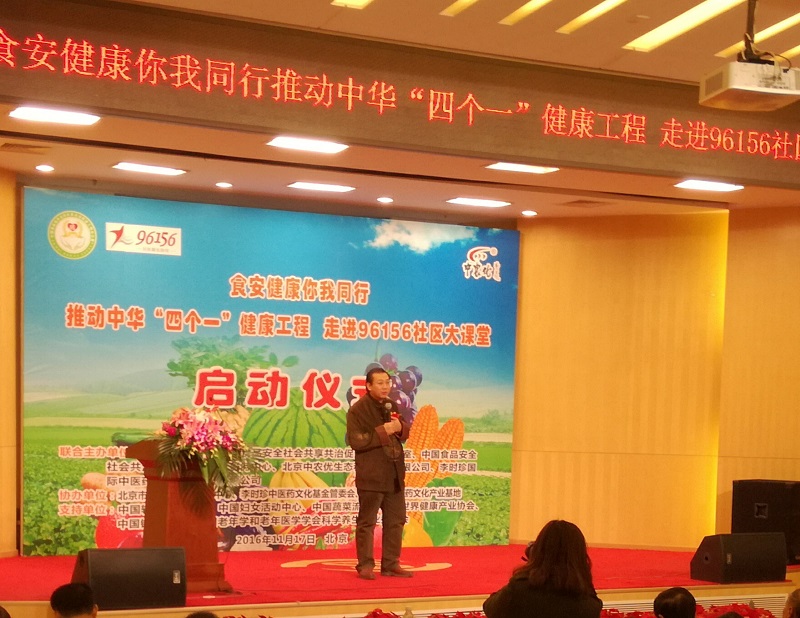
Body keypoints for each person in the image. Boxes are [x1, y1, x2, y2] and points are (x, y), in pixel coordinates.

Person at [346, 366, 412, 580]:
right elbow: (357, 441)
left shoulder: (391, 405)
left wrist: (400, 427)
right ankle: (365, 565)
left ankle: (391, 564)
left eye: (387, 382)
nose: (385, 387)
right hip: (371, 475)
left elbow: (402, 432)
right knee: (367, 522)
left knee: (396, 520)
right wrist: (385, 430)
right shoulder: (358, 410)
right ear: (368, 385)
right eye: (380, 383)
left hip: (394, 474)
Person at [483, 519, 602, 618]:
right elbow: (595, 605)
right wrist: (582, 573)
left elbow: (489, 607)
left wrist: (532, 565)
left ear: (538, 551)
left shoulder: (519, 589)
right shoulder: (587, 603)